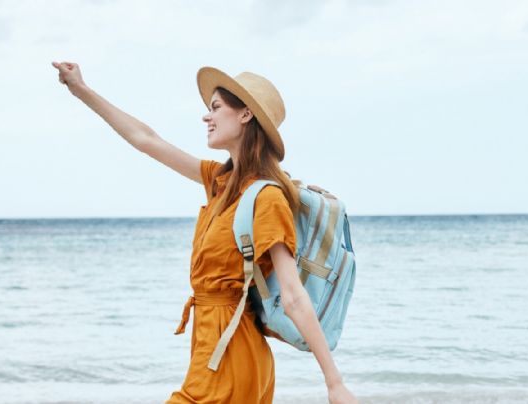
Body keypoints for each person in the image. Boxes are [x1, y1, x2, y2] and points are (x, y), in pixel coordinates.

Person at [52, 61, 358, 404]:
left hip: (231, 355)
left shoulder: (267, 198)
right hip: (210, 348)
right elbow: (146, 139)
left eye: (215, 107)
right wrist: (82, 91)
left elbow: (293, 295)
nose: (206, 117)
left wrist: (334, 383)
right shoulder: (219, 183)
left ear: (245, 116)